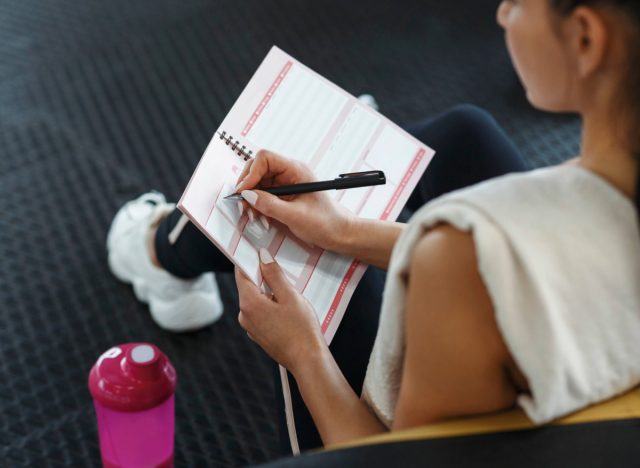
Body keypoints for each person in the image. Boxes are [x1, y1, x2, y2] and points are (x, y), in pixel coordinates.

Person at [107, 0, 640, 452]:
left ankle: (161, 249)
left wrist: (302, 352)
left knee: (297, 262)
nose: (502, 13)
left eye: (520, 1)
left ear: (587, 39)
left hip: (367, 444)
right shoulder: (596, 196)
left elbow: (393, 465)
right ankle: (174, 248)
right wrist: (341, 230)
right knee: (464, 134)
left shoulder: (460, 252)